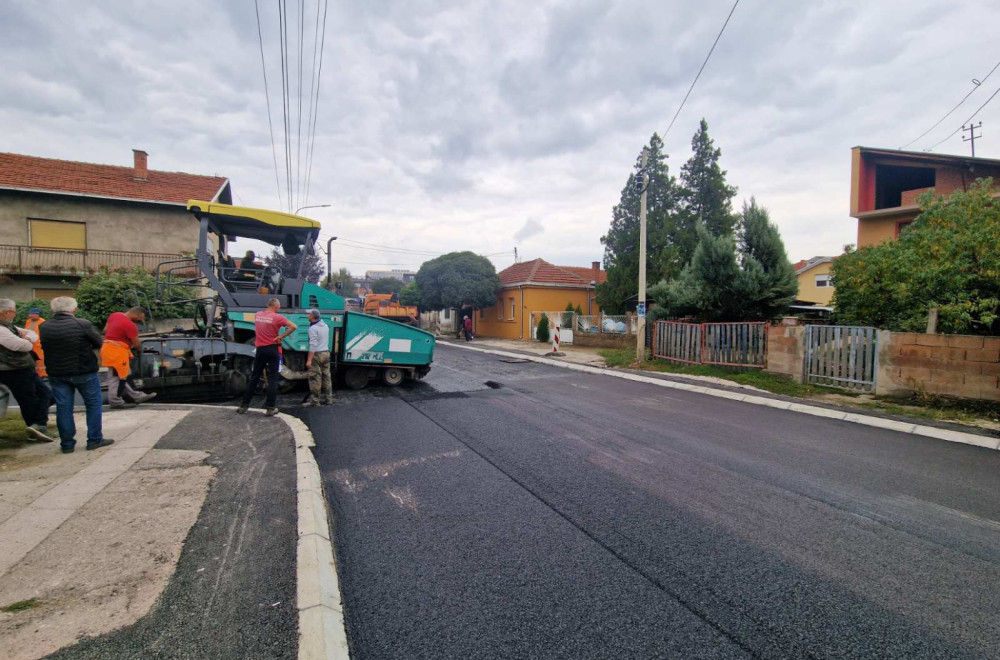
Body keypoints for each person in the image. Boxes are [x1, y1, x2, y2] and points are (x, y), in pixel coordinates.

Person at [39, 297, 112, 453]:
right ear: (74, 310)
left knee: (63, 408)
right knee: (93, 405)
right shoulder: (82, 324)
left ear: (53, 310)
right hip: (83, 371)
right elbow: (99, 342)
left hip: (57, 373)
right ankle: (94, 439)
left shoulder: (44, 326)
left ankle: (67, 444)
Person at [0, 299, 54, 442]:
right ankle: (36, 428)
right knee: (29, 399)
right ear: (5, 313)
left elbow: (32, 335)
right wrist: (27, 341)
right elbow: (23, 346)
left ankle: (37, 425)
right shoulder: (1, 329)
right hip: (12, 369)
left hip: (23, 367)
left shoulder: (10, 326)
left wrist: (27, 338)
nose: (15, 314)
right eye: (13, 311)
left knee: (46, 394)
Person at [237, 298, 296, 416]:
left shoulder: (258, 315)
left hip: (260, 350)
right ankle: (270, 408)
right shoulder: (278, 317)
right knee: (273, 379)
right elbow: (294, 326)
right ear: (276, 306)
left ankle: (244, 406)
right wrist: (281, 336)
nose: (279, 308)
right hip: (273, 349)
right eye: (278, 306)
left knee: (254, 378)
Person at [101, 306, 156, 409]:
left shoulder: (115, 315)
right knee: (116, 377)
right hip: (118, 352)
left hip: (107, 348)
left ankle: (136, 396)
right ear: (136, 315)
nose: (141, 320)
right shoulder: (130, 325)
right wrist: (140, 349)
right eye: (141, 318)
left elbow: (105, 330)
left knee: (122, 375)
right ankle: (116, 402)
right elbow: (136, 344)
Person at [304, 309, 332, 407]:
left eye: (308, 314)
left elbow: (313, 345)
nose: (307, 316)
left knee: (314, 377)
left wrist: (309, 360)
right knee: (326, 376)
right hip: (326, 353)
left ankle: (315, 401)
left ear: (313, 316)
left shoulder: (313, 328)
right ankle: (328, 399)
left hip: (316, 354)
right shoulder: (325, 326)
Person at [24, 307, 46, 377]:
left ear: (37, 314)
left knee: (40, 359)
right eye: (29, 314)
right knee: (31, 359)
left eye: (32, 314)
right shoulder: (28, 321)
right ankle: (34, 374)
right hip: (29, 344)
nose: (30, 315)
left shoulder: (42, 321)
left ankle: (43, 375)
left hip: (38, 345)